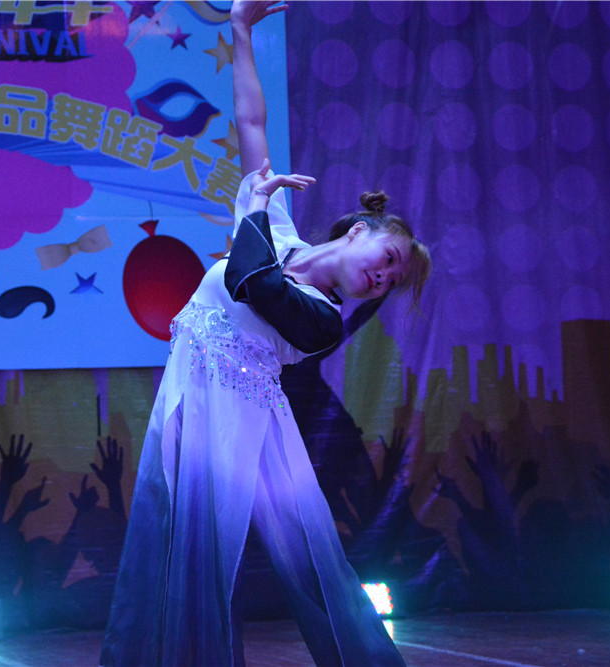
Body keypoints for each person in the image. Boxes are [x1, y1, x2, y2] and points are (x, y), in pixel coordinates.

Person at [99, 2, 430, 665]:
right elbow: (252, 122)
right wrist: (241, 30)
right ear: (358, 232)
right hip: (191, 390)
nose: (382, 279)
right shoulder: (278, 226)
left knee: (286, 556)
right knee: (169, 540)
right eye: (388, 259)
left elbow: (252, 279)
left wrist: (252, 204)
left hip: (238, 419)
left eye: (391, 283)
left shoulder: (323, 318)